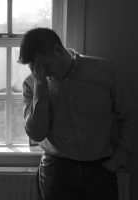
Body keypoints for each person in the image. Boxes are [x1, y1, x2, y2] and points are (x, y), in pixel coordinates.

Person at [18, 27, 137, 200]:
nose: (40, 73)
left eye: (43, 65)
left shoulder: (104, 72)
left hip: (101, 170)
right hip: (57, 172)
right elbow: (36, 133)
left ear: (58, 49)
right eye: (34, 68)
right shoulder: (32, 84)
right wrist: (40, 92)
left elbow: (130, 115)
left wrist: (118, 159)